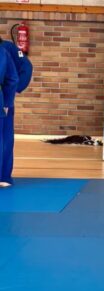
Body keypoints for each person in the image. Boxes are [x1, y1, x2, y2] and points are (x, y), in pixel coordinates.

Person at [0, 38, 33, 187]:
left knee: (5, 137)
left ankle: (4, 176)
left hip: (4, 99)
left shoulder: (7, 48)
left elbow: (26, 66)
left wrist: (14, 91)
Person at [0, 41, 19, 188]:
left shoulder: (4, 51)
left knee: (4, 139)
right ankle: (3, 177)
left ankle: (4, 176)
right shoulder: (3, 52)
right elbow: (12, 79)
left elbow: (13, 79)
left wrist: (7, 102)